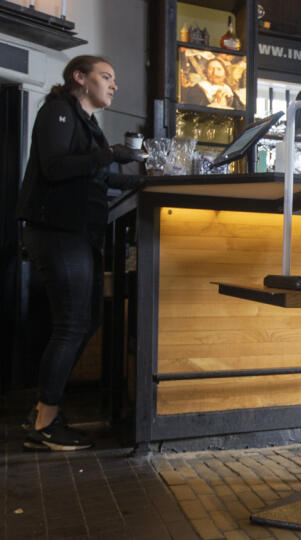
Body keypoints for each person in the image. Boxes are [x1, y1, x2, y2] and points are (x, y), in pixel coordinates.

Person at [16, 55, 143, 451]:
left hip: (78, 233)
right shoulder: (58, 110)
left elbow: (99, 176)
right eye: (106, 76)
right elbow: (55, 167)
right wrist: (110, 154)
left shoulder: (88, 123)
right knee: (71, 324)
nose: (114, 85)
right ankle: (45, 424)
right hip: (56, 231)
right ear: (79, 78)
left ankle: (43, 410)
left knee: (86, 321)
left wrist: (146, 171)